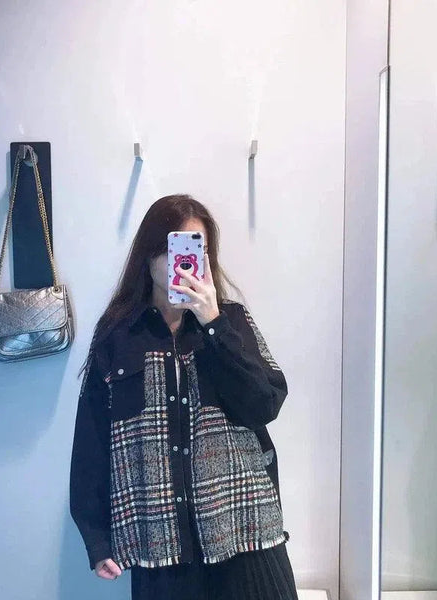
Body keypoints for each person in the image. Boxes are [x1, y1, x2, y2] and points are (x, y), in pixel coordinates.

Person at [69, 193, 298, 600]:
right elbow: (92, 440)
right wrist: (97, 537)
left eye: (199, 250)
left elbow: (265, 403)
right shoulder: (118, 335)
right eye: (176, 247)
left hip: (244, 531)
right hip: (161, 548)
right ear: (149, 254)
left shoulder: (231, 321)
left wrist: (212, 323)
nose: (187, 261)